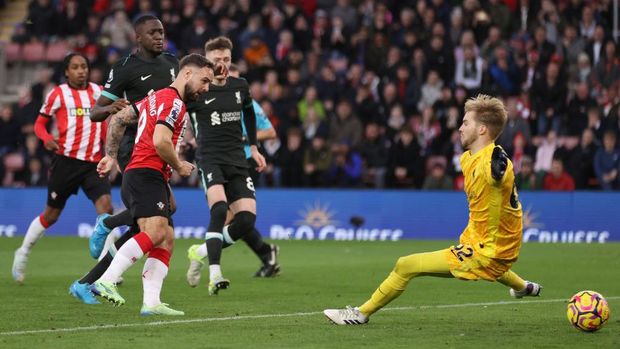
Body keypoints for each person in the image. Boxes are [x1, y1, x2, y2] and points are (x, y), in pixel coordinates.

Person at [324, 95, 542, 325]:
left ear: (482, 129)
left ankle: (360, 314)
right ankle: (524, 287)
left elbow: (497, 173)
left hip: (487, 249)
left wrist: (499, 166)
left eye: (466, 122)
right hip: (488, 242)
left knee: (406, 265)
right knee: (493, 267)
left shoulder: (494, 161)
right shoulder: (468, 158)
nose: (460, 127)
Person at [69, 15, 180, 304]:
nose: (159, 36)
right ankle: (107, 225)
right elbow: (96, 112)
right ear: (138, 38)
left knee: (144, 225)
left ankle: (86, 282)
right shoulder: (125, 69)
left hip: (159, 147)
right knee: (161, 213)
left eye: (162, 32)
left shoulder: (172, 64)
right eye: (152, 33)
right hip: (134, 147)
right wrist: (112, 108)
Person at [92, 53, 214, 315]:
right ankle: (106, 280)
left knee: (166, 237)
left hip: (146, 174)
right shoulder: (174, 103)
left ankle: (151, 302)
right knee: (157, 231)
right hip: (146, 172)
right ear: (187, 74)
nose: (206, 89)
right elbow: (160, 141)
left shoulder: (155, 96)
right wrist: (179, 164)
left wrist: (112, 156)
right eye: (204, 81)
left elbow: (119, 118)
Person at [11, 53, 113, 284]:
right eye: (75, 67)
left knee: (106, 208)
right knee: (52, 214)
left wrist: (109, 154)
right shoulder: (58, 94)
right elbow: (39, 123)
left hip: (93, 163)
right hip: (66, 162)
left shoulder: (99, 92)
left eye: (84, 66)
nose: (81, 71)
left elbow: (105, 124)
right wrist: (45, 137)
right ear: (67, 72)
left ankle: (105, 268)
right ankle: (23, 252)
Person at [185, 36, 266, 295]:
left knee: (245, 221)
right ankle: (215, 273)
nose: (222, 64)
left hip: (237, 160)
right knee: (219, 210)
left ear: (231, 60)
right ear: (207, 61)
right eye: (216, 59)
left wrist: (253, 147)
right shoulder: (196, 89)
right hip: (210, 159)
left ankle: (200, 251)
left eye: (226, 59)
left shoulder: (240, 85)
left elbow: (250, 114)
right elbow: (178, 112)